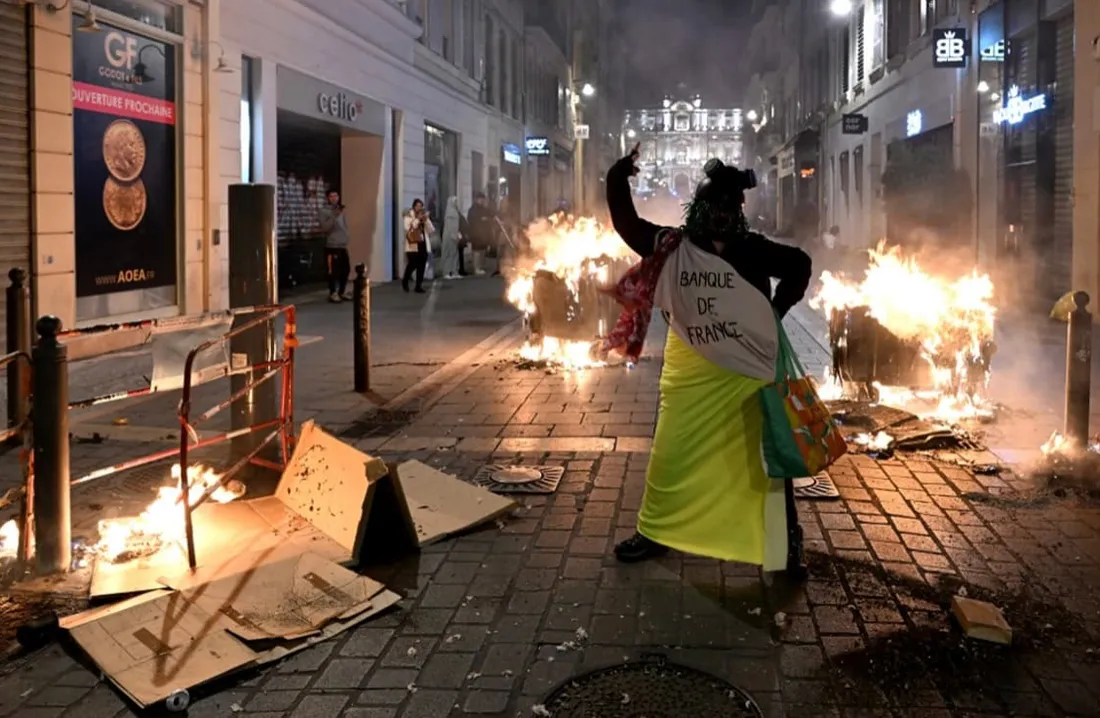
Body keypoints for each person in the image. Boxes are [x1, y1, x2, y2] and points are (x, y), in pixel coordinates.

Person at [602, 143, 813, 579]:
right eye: (711, 205)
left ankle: (786, 543)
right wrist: (617, 177)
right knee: (672, 451)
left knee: (765, 456)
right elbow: (627, 224)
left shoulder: (752, 249)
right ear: (698, 207)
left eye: (727, 206)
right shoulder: (673, 247)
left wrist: (773, 312)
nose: (719, 214)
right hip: (692, 373)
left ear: (736, 210)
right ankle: (657, 530)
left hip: (746, 372)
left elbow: (800, 264)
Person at [318, 189, 352, 303]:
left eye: (336, 196)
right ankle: (333, 292)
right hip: (332, 246)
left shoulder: (341, 210)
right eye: (331, 196)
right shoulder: (324, 211)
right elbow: (325, 227)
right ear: (327, 198)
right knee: (333, 271)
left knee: (346, 270)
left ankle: (342, 291)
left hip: (342, 245)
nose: (334, 198)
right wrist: (334, 216)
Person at [402, 199, 434, 293]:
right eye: (417, 206)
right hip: (412, 244)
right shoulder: (409, 215)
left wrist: (426, 219)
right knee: (412, 264)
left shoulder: (423, 216)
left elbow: (431, 229)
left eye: (421, 206)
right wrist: (418, 219)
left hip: (422, 244)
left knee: (422, 265)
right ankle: (405, 280)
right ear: (414, 206)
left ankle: (418, 286)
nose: (419, 208)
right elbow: (408, 228)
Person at [466, 192, 494, 276]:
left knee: (482, 250)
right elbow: (472, 220)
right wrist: (482, 220)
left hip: (483, 234)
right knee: (477, 251)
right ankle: (476, 268)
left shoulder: (483, 208)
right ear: (476, 199)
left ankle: (480, 266)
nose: (482, 201)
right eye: (480, 199)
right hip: (476, 234)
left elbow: (490, 214)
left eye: (483, 199)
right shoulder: (473, 209)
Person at [441, 196, 464, 280]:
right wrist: (454, 235)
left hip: (454, 235)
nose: (456, 203)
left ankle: (454, 271)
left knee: (455, 254)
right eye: (455, 201)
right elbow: (449, 227)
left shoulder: (455, 211)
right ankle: (446, 272)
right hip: (449, 236)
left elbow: (456, 226)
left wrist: (457, 234)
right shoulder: (450, 213)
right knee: (448, 254)